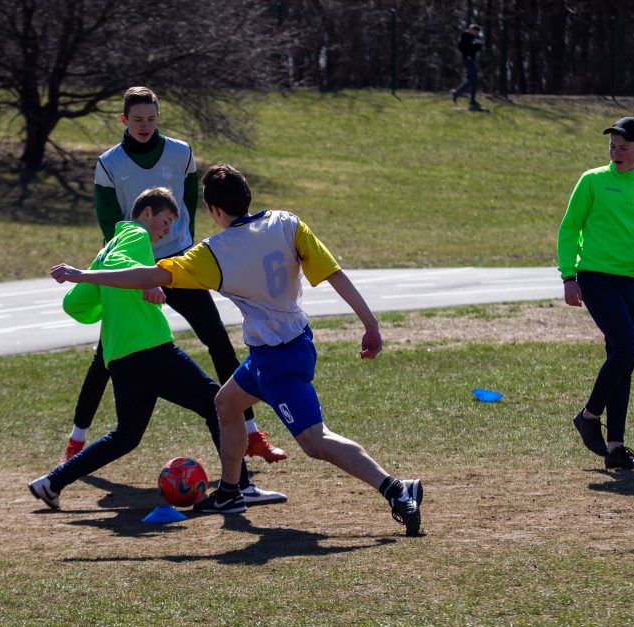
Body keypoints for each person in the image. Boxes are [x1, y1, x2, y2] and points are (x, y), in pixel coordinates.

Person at [50, 165, 424, 536]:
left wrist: (83, 275)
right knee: (226, 404)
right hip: (276, 349)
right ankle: (230, 492)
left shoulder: (214, 252)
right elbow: (333, 273)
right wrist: (370, 325)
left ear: (213, 211)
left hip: (280, 358)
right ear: (247, 197)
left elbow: (147, 276)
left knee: (315, 441)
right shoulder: (287, 222)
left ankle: (394, 487)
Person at [59, 86, 286, 466]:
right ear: (124, 121)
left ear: (158, 117)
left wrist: (180, 254)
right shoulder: (109, 163)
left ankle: (251, 435)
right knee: (105, 357)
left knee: (218, 341)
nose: (145, 125)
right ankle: (76, 443)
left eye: (151, 118)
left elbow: (187, 207)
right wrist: (141, 275)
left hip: (177, 267)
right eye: (137, 119)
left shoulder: (181, 153)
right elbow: (109, 224)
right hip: (133, 269)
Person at [29, 188, 286, 509]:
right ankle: (240, 488)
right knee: (214, 403)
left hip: (119, 356)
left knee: (126, 435)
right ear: (147, 213)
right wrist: (147, 283)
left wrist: (111, 303)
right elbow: (119, 267)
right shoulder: (135, 236)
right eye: (166, 221)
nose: (167, 230)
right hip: (149, 347)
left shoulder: (106, 250)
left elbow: (74, 303)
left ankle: (52, 482)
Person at [559, 116, 634, 471]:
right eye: (612, 146)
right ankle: (589, 415)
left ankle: (615, 449)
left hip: (629, 280)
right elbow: (569, 230)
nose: (616, 152)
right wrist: (568, 277)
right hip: (594, 277)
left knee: (622, 360)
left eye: (624, 148)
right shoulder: (592, 181)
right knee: (627, 348)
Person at [449, 23, 484, 111]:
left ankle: (471, 100)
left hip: (472, 59)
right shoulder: (465, 36)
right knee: (473, 79)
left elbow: (478, 49)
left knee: (473, 80)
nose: (474, 32)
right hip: (467, 59)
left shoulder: (476, 38)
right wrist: (471, 46)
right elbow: (461, 47)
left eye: (476, 30)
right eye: (473, 30)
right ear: (470, 29)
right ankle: (456, 92)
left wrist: (478, 44)